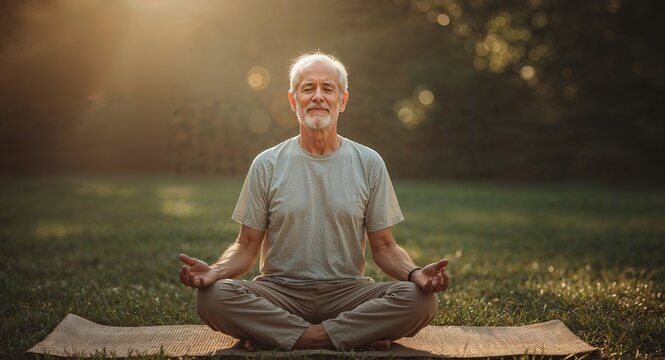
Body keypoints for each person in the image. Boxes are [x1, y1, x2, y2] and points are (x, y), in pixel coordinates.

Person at [178, 52, 450, 352]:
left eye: (327, 88)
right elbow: (246, 245)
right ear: (294, 101)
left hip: (347, 293)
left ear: (342, 101)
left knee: (421, 301)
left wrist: (415, 274)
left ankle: (282, 336)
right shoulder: (266, 164)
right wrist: (214, 272)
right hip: (279, 293)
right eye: (308, 88)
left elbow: (384, 247)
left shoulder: (369, 162)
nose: (318, 96)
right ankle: (346, 336)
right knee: (212, 297)